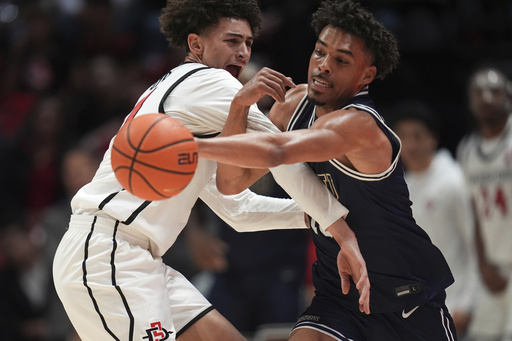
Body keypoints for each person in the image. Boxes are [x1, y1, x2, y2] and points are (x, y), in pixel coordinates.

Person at [52, 1, 365, 341]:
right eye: (232, 41)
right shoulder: (208, 82)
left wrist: (312, 217)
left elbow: (237, 210)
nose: (243, 53)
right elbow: (280, 154)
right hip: (108, 255)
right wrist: (341, 228)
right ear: (196, 45)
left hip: (134, 258)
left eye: (248, 43)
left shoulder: (190, 102)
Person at [196, 0, 457, 339]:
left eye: (341, 60)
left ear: (366, 76)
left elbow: (277, 151)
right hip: (339, 296)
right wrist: (239, 106)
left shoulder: (359, 125)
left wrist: (187, 146)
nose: (323, 66)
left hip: (406, 297)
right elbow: (231, 182)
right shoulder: (293, 105)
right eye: (320, 52)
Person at [389, 99, 479, 338]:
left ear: (433, 139)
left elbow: (477, 246)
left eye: (417, 136)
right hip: (421, 310)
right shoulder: (401, 187)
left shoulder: (453, 181)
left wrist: (466, 304)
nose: (410, 144)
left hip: (458, 306)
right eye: (403, 136)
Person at [456, 66, 512, 341]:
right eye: (479, 92)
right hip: (492, 267)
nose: (486, 97)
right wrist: (483, 265)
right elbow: (475, 214)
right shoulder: (467, 150)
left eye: (494, 91)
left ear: (508, 97)